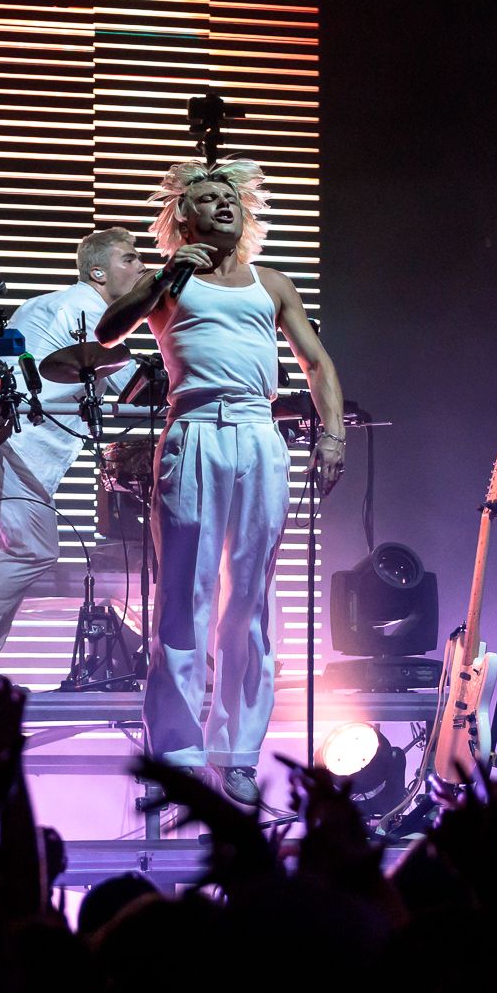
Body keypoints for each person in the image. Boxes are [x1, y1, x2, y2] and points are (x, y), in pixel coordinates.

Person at [96, 158, 344, 806]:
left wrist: (333, 435)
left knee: (250, 601)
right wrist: (162, 279)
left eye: (230, 195)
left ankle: (236, 753)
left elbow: (317, 364)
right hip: (195, 431)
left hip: (259, 433)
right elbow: (108, 330)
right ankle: (178, 755)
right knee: (186, 597)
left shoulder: (272, 282)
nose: (224, 203)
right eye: (207, 197)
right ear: (184, 217)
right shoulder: (167, 282)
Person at [0, 228, 143, 673]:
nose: (142, 267)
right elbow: (135, 387)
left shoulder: (45, 303)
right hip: (6, 442)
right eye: (129, 258)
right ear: (97, 272)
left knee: (13, 553)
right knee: (33, 550)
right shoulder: (87, 310)